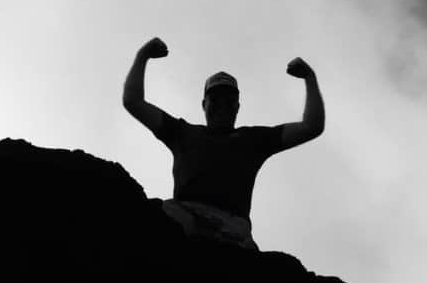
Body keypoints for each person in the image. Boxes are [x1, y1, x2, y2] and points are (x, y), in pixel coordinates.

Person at [122, 36, 323, 249]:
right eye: (215, 99)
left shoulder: (253, 140)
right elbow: (133, 102)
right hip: (185, 215)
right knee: (160, 216)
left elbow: (311, 126)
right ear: (204, 104)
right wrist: (142, 56)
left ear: (237, 107)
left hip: (234, 229)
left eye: (229, 100)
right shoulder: (182, 133)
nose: (222, 105)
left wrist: (310, 77)